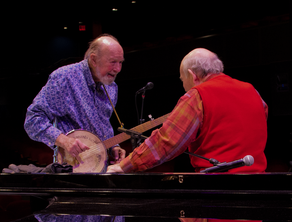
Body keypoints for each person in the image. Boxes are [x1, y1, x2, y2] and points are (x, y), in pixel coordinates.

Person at [107, 48, 268, 174]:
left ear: (192, 75)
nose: (184, 86)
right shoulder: (252, 91)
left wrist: (125, 165)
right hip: (258, 187)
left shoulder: (197, 95)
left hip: (217, 192)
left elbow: (166, 141)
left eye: (182, 80)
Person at [24, 34, 126, 167]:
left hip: (100, 168)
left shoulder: (111, 87)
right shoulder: (64, 78)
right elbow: (32, 120)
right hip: (71, 168)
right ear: (94, 60)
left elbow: (103, 125)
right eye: (113, 62)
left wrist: (113, 147)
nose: (117, 69)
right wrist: (64, 141)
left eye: (120, 62)